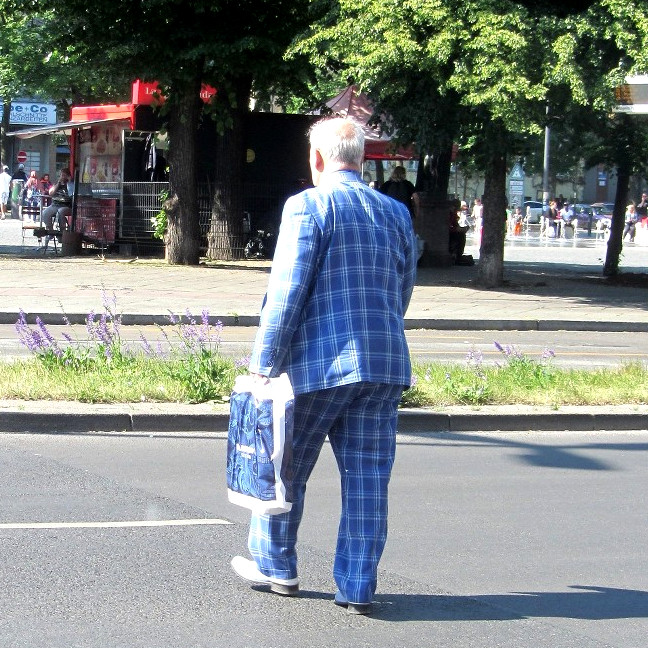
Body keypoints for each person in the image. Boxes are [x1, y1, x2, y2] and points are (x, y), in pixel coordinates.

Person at [230, 117, 418, 616]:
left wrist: (262, 365)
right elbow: (402, 289)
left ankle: (276, 566)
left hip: (318, 367)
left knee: (283, 468)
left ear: (316, 158)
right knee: (368, 481)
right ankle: (357, 585)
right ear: (360, 158)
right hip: (383, 366)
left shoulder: (308, 206)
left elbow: (286, 295)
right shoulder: (396, 212)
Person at [41, 168, 72, 246]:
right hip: (55, 205)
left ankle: (62, 233)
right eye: (62, 175)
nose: (63, 177)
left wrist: (69, 182)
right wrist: (58, 183)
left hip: (66, 206)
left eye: (64, 175)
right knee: (45, 213)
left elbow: (72, 193)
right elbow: (50, 193)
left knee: (60, 212)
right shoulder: (57, 184)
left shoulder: (70, 184)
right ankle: (51, 232)